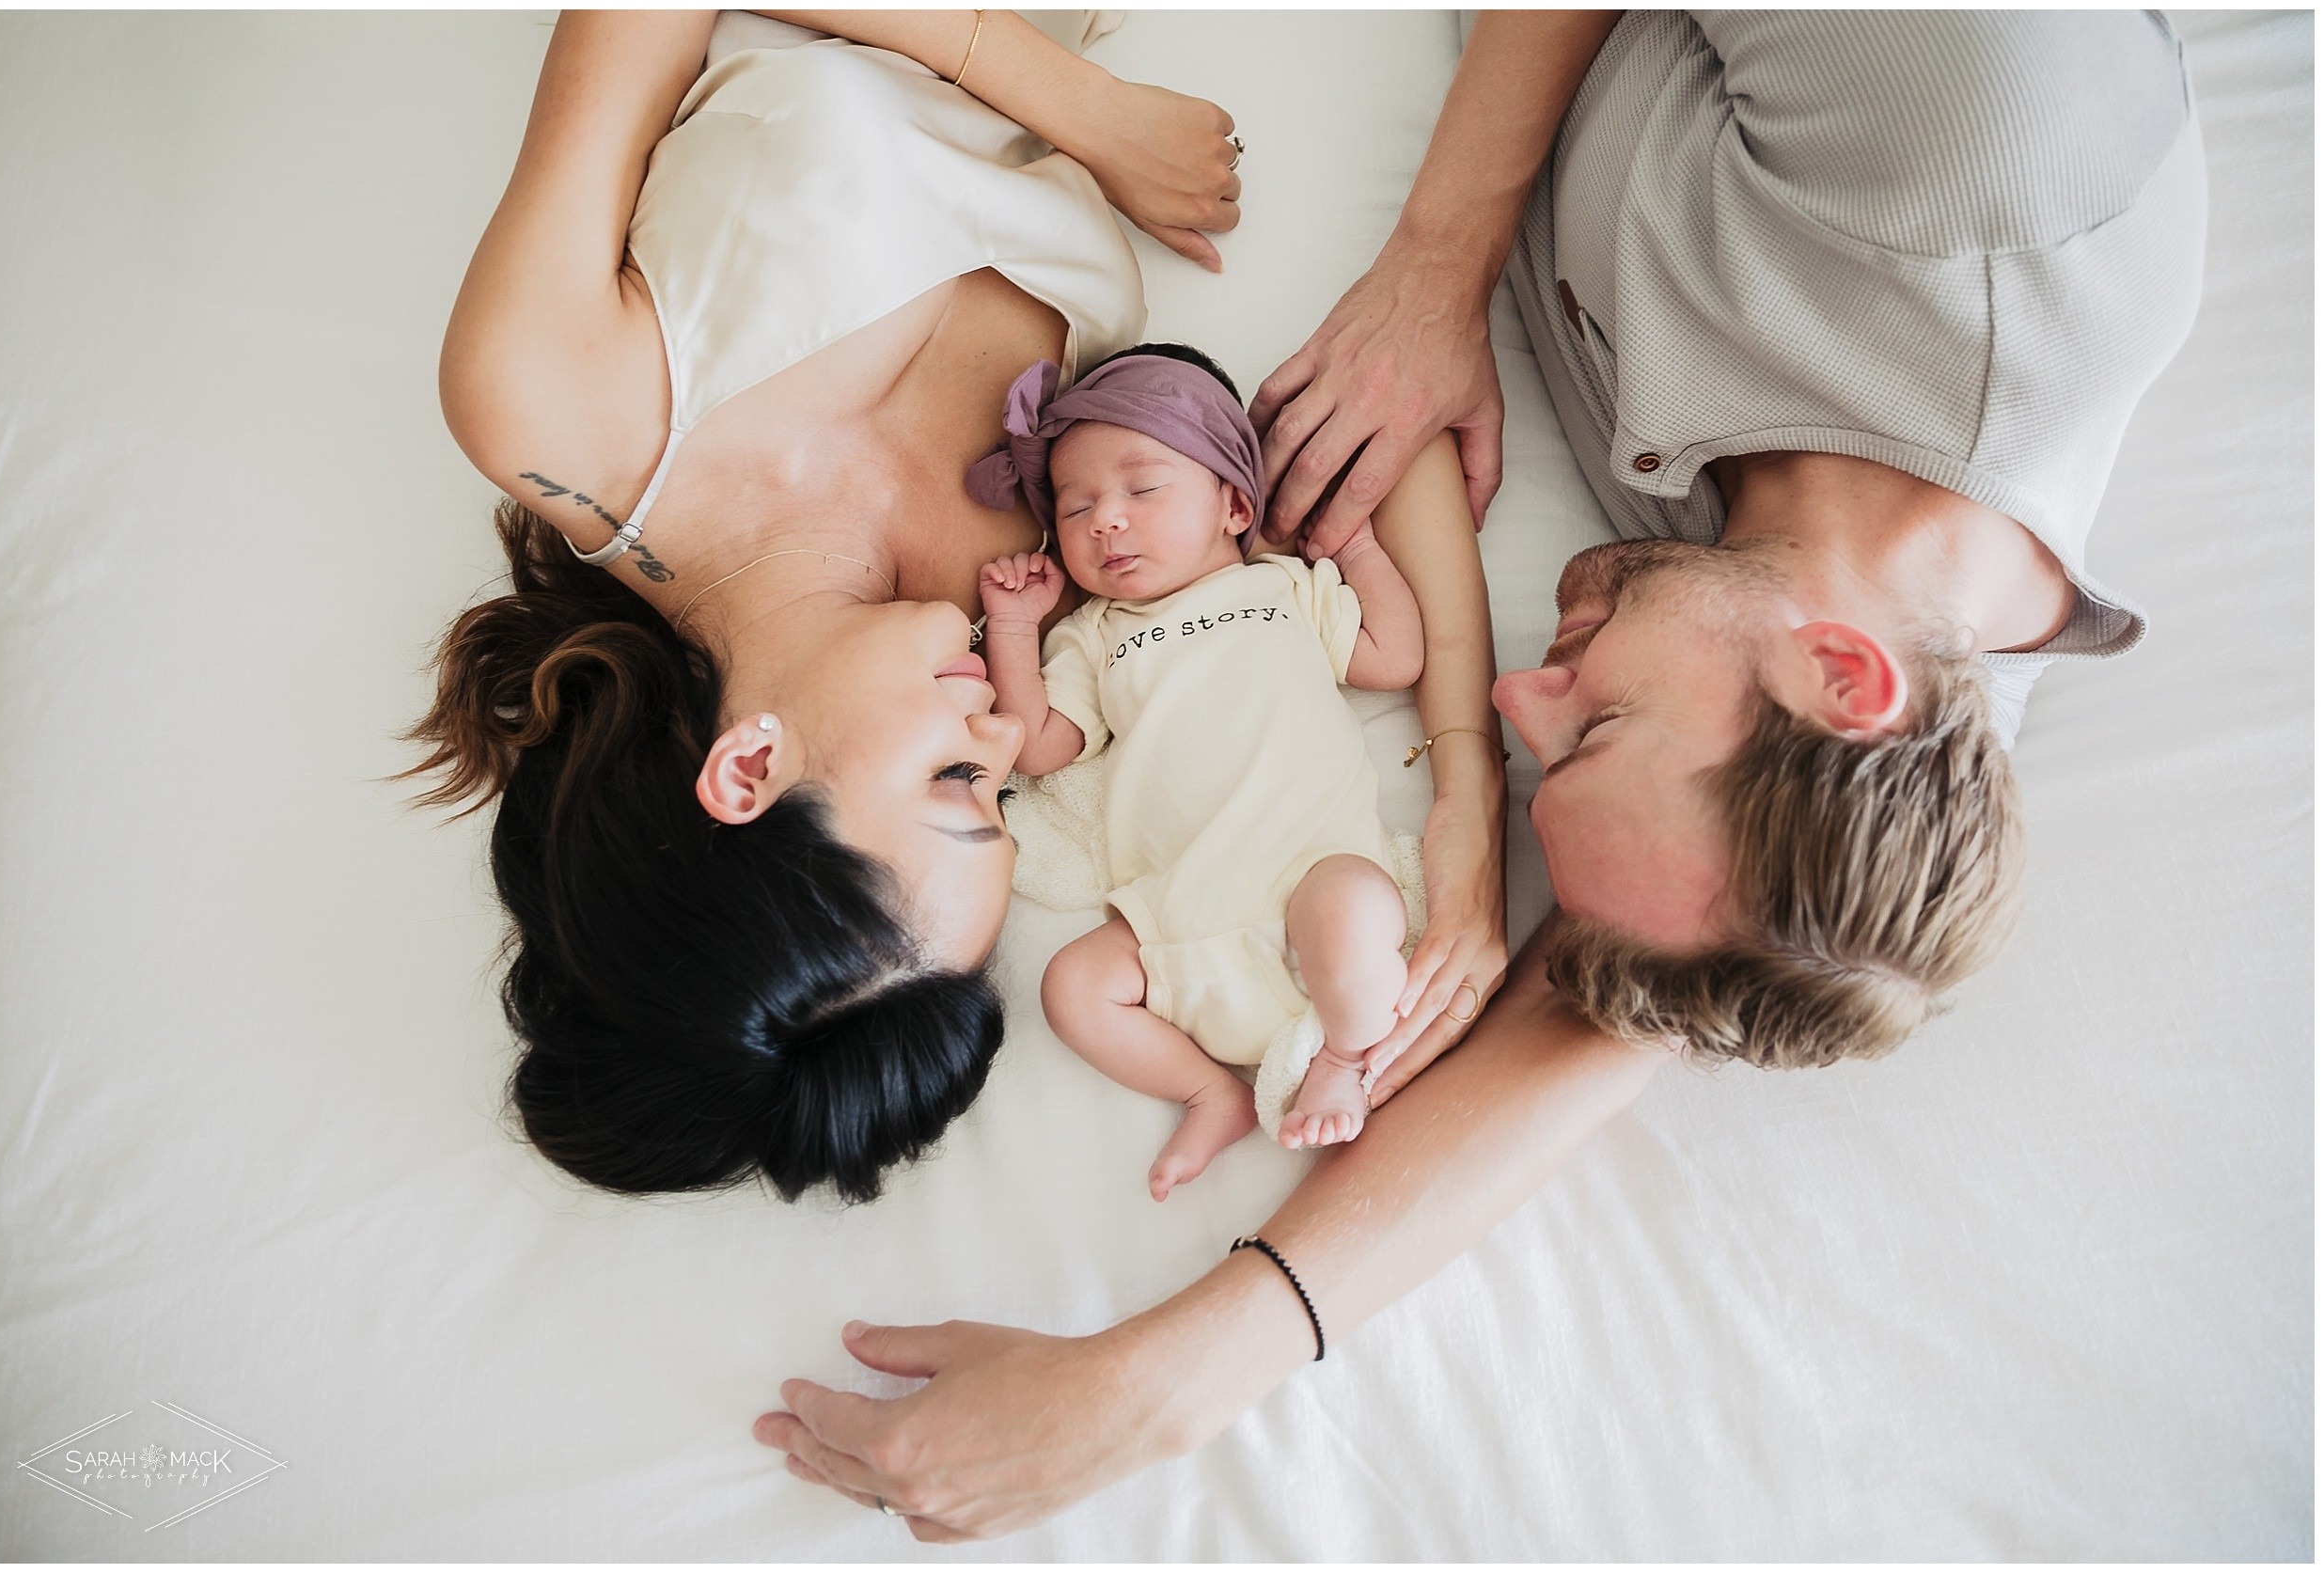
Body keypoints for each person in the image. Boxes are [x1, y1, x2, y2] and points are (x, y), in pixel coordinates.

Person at [753, 10, 2206, 1539]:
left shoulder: (1832, 804)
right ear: (1841, 673)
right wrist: (1437, 267)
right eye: (1596, 728)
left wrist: (1160, 1390)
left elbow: (1586, 1036)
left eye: (1542, 742)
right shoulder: (1993, 148)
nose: (1515, 688)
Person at [416, 12, 1507, 1204]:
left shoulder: (551, 410)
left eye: (954, 781)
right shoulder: (1038, 589)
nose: (1000, 735)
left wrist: (1074, 104)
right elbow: (1365, 454)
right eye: (1001, 794)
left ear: (748, 767)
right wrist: (1467, 795)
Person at [975, 347, 1427, 1185]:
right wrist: (1013, 627)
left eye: (1142, 490)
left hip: (1306, 884)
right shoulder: (1095, 634)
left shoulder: (1284, 589)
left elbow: (1394, 657)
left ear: (1233, 504)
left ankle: (1341, 1051)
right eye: (1076, 510)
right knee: (1071, 987)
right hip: (1175, 922)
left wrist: (1354, 544)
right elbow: (1037, 746)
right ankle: (1208, 1091)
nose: (1106, 520)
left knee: (1360, 903)